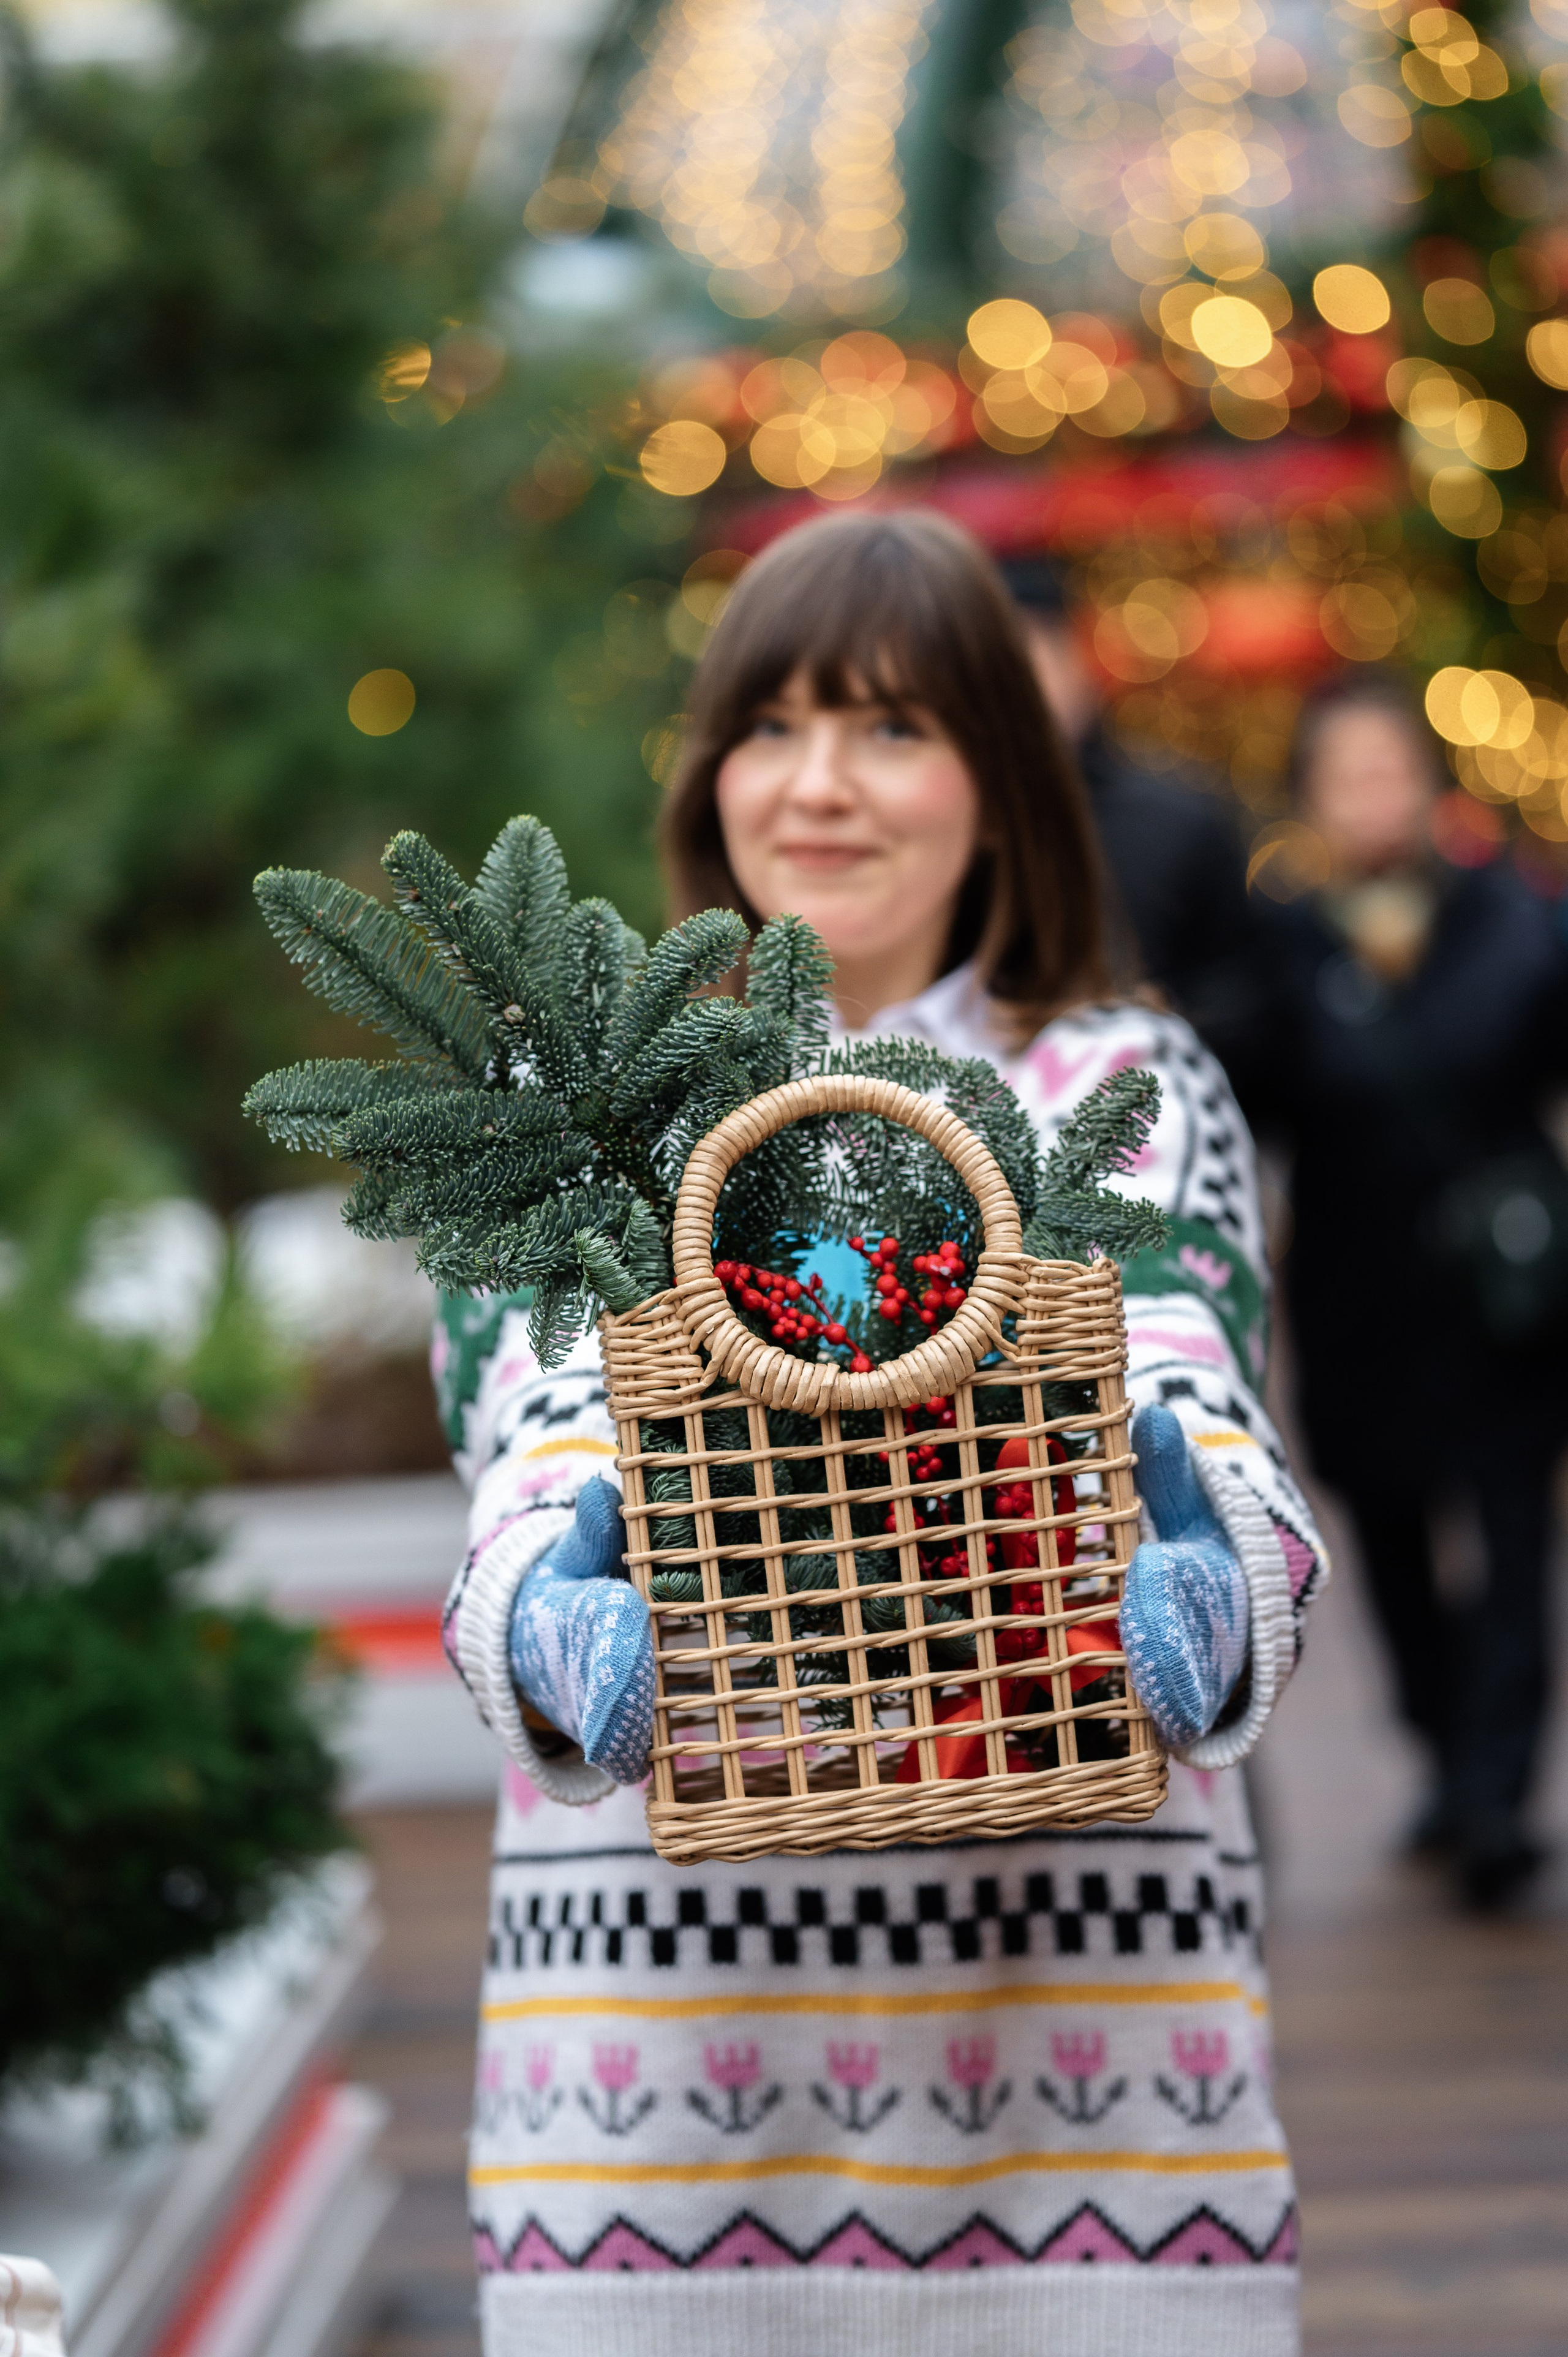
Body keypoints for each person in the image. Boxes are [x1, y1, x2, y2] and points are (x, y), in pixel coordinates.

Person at [434, 511, 1327, 2357]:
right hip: (657, 2105)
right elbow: (527, 1410)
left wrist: (1211, 1569)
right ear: (710, 773)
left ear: (1004, 783)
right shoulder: (575, 1096)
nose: (818, 785)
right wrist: (543, 1597)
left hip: (1075, 2079)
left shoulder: (1123, 1082)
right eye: (771, 724)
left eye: (895, 728)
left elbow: (1183, 1368)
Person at [1256, 668, 1568, 1909]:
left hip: (1501, 1291)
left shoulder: (1514, 918)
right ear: (1310, 802)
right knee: (1384, 1531)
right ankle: (1441, 1750)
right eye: (1345, 778)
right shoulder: (1281, 949)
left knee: (1508, 1537)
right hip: (1353, 1289)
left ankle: (1494, 1790)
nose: (1370, 798)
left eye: (1386, 770)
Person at [999, 554, 1272, 1108]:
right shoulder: (944, 830)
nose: (1015, 696)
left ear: (1077, 662)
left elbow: (1254, 1006)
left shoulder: (1181, 820)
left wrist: (1147, 1041)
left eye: (1033, 660)